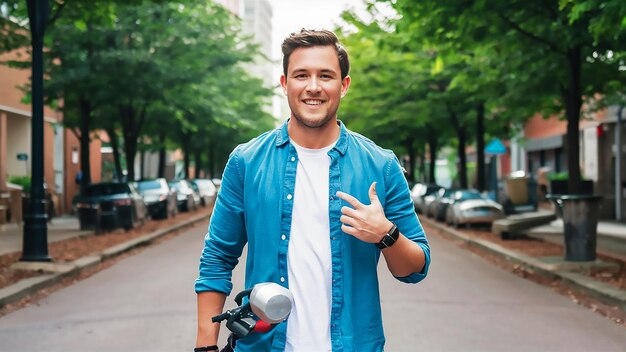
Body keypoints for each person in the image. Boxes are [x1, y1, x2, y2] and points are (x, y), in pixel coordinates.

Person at [195, 29, 431, 352]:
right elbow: (217, 258)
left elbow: (415, 268)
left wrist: (385, 234)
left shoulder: (381, 165)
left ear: (344, 85)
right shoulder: (246, 162)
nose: (314, 87)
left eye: (326, 76)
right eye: (301, 75)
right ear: (284, 83)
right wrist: (205, 347)